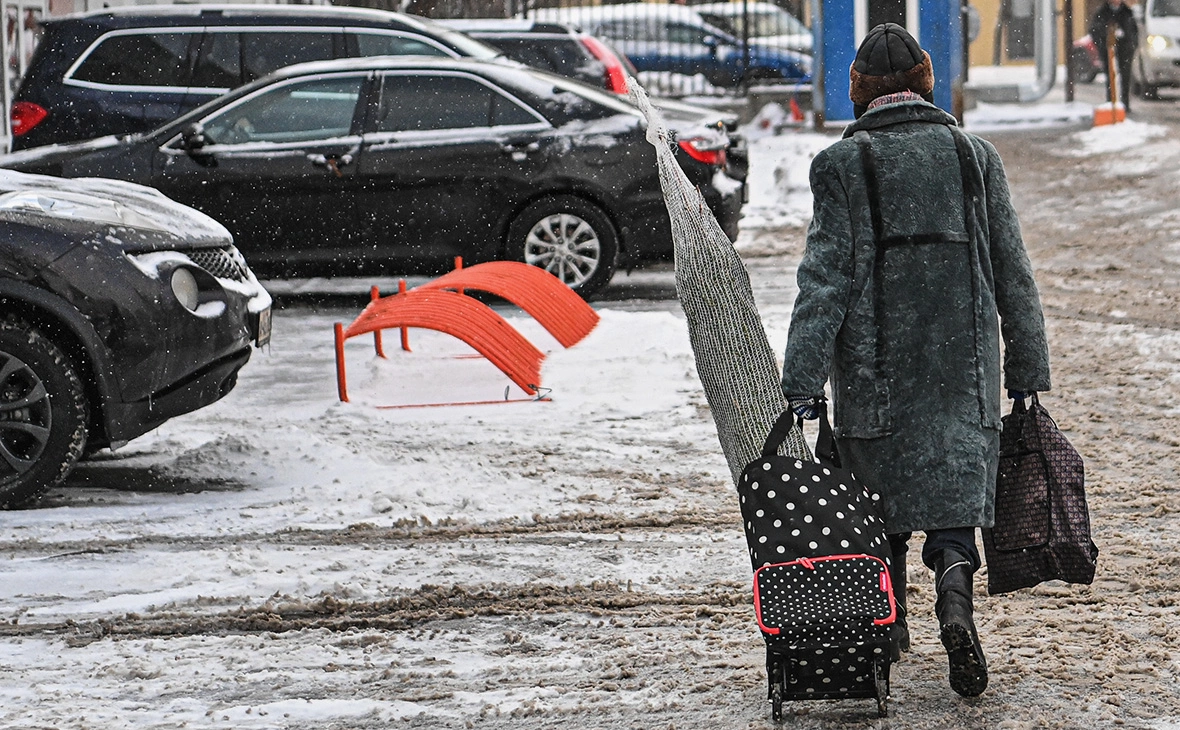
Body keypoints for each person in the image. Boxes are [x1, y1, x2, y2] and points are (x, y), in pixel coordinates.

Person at [780, 23, 1051, 698]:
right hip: (964, 371)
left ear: (861, 90)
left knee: (878, 503)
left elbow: (825, 280)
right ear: (925, 81)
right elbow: (1013, 271)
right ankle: (954, 594)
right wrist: (1026, 371)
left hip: (877, 372)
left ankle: (888, 620)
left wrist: (802, 380)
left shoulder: (842, 166)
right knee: (953, 499)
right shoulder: (973, 156)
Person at [1089, 0, 1139, 111]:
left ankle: (1125, 103)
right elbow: (1095, 30)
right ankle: (1111, 102)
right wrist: (1105, 40)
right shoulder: (1102, 12)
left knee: (1125, 77)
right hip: (1107, 50)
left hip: (1125, 49)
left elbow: (1133, 30)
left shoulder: (1127, 12)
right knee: (1110, 76)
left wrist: (1131, 43)